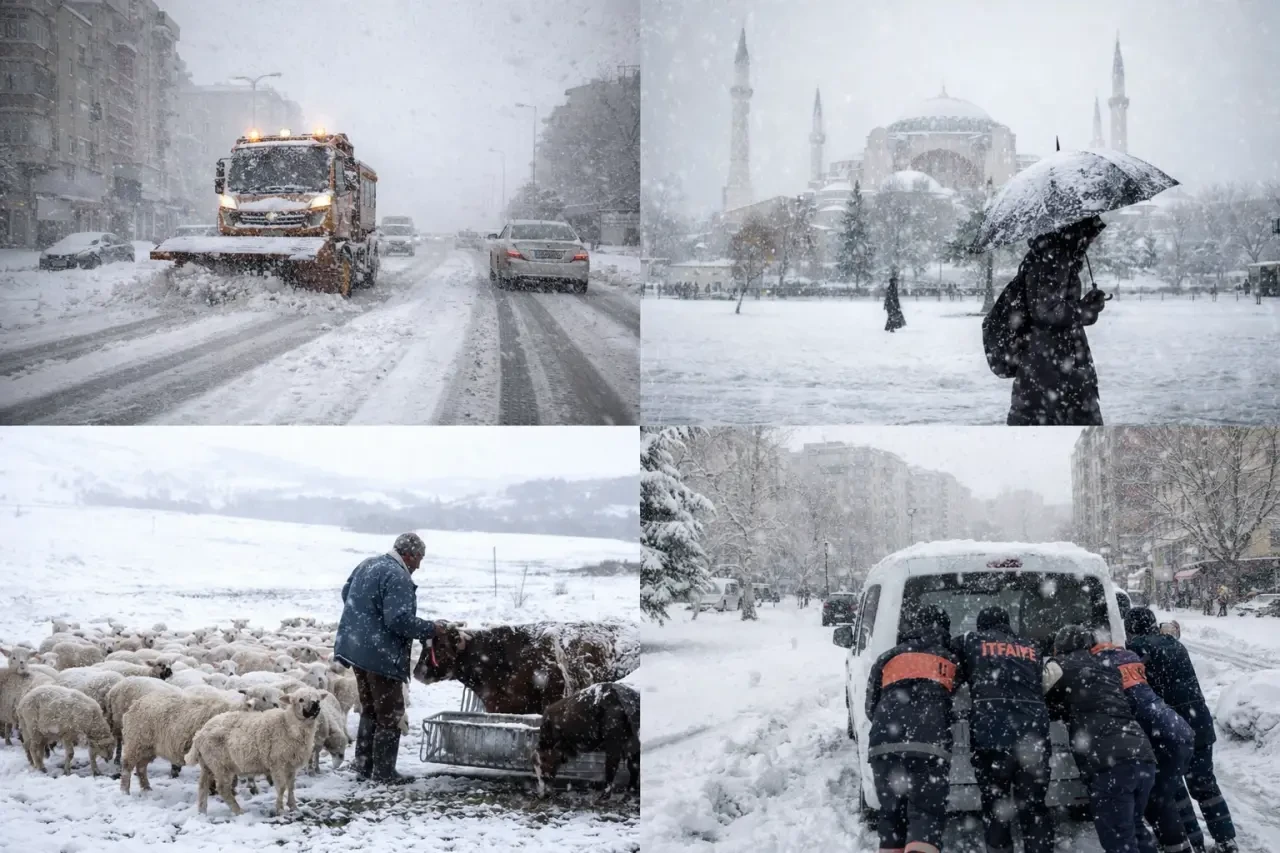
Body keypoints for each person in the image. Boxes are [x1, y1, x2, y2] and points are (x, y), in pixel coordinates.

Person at [334, 532, 460, 785]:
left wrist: (365, 622)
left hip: (357, 650)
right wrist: (432, 629)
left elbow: (346, 593)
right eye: (419, 558)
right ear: (409, 555)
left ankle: (364, 764)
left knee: (370, 708)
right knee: (390, 712)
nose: (419, 565)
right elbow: (399, 620)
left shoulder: (368, 564)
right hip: (381, 655)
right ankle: (384, 772)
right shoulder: (398, 576)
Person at [1126, 607, 1238, 853]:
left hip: (1171, 729)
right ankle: (1226, 841)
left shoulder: (1136, 650)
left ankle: (1193, 841)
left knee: (1173, 788)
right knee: (1205, 784)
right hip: (1199, 723)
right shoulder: (1175, 645)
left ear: (1130, 628)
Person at [1043, 624, 1158, 853]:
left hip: (1110, 762)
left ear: (1060, 646)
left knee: (1119, 840)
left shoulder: (1059, 667)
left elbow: (1044, 700)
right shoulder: (1108, 667)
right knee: (1134, 828)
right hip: (1142, 754)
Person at [951, 606, 1054, 853]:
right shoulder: (1031, 646)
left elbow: (951, 664)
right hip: (1033, 737)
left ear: (981, 626)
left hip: (991, 738)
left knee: (996, 805)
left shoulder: (970, 640)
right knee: (1034, 807)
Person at [865, 603, 958, 853]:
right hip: (929, 747)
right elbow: (958, 703)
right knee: (926, 817)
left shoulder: (889, 656)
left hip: (884, 744)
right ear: (944, 630)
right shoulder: (950, 659)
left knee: (891, 817)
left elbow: (870, 707)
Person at [1092, 633, 1196, 853]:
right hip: (1178, 730)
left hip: (1164, 735)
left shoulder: (1099, 666)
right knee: (1163, 796)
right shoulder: (1128, 655)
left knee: (1157, 800)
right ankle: (1185, 845)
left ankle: (1178, 846)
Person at [1007, 215, 1109, 426]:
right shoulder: (1054, 259)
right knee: (1076, 428)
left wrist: (1086, 305)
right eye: (1089, 233)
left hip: (1046, 360)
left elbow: (1050, 305)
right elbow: (1047, 311)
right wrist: (1085, 309)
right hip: (1055, 363)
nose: (1091, 239)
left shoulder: (1051, 256)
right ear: (1077, 230)